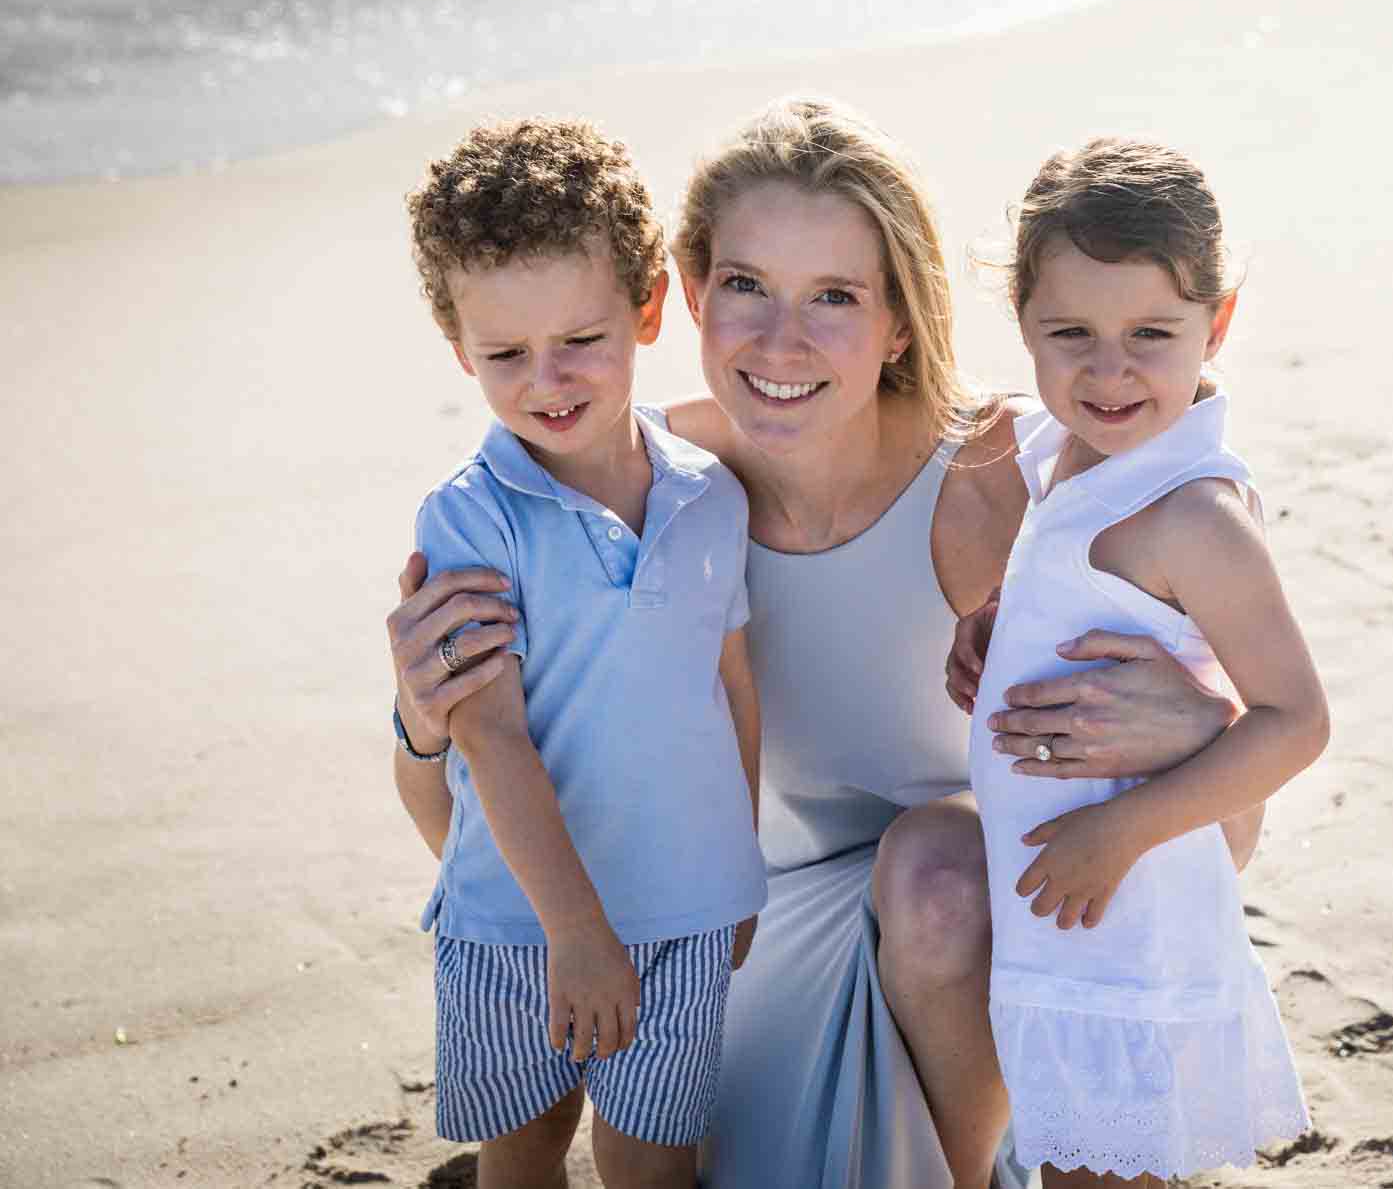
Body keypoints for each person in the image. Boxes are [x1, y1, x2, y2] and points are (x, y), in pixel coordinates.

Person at [385, 97, 1253, 1189]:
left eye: (834, 297)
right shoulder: (655, 497)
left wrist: (1198, 728)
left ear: (900, 319)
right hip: (741, 942)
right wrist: (425, 729)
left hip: (992, 953)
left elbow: (1223, 847)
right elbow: (466, 826)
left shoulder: (1015, 481)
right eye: (746, 285)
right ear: (687, 292)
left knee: (937, 872)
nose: (779, 342)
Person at [393, 118, 766, 1189]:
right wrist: (578, 932)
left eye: (580, 341)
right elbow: (493, 734)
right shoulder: (470, 522)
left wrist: (733, 876)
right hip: (518, 922)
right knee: (524, 1156)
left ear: (647, 308)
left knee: (655, 1163)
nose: (546, 380)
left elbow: (731, 689)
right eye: (505, 354)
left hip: (685, 908)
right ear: (458, 343)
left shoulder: (710, 496)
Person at [956, 138, 1323, 1186]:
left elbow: (1295, 720)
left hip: (1133, 919)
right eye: (1067, 332)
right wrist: (994, 613)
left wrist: (1118, 830)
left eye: (1150, 335)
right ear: (1019, 317)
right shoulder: (1060, 450)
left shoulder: (1193, 514)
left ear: (1219, 321)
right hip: (1060, 923)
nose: (1106, 372)